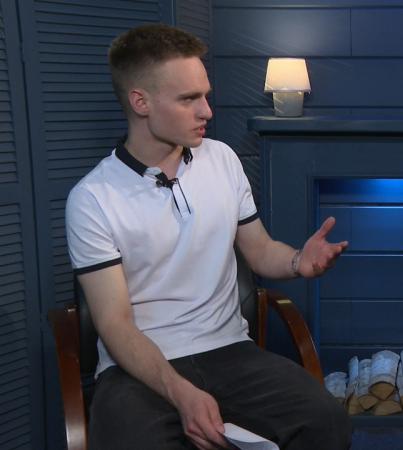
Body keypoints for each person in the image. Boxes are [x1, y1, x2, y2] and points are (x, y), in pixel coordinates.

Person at [65, 23, 352, 450]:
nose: (207, 112)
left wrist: (298, 262)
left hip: (228, 350)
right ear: (140, 102)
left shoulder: (222, 160)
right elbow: (114, 324)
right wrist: (180, 393)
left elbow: (260, 251)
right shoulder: (92, 198)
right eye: (188, 99)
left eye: (206, 95)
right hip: (138, 365)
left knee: (326, 421)